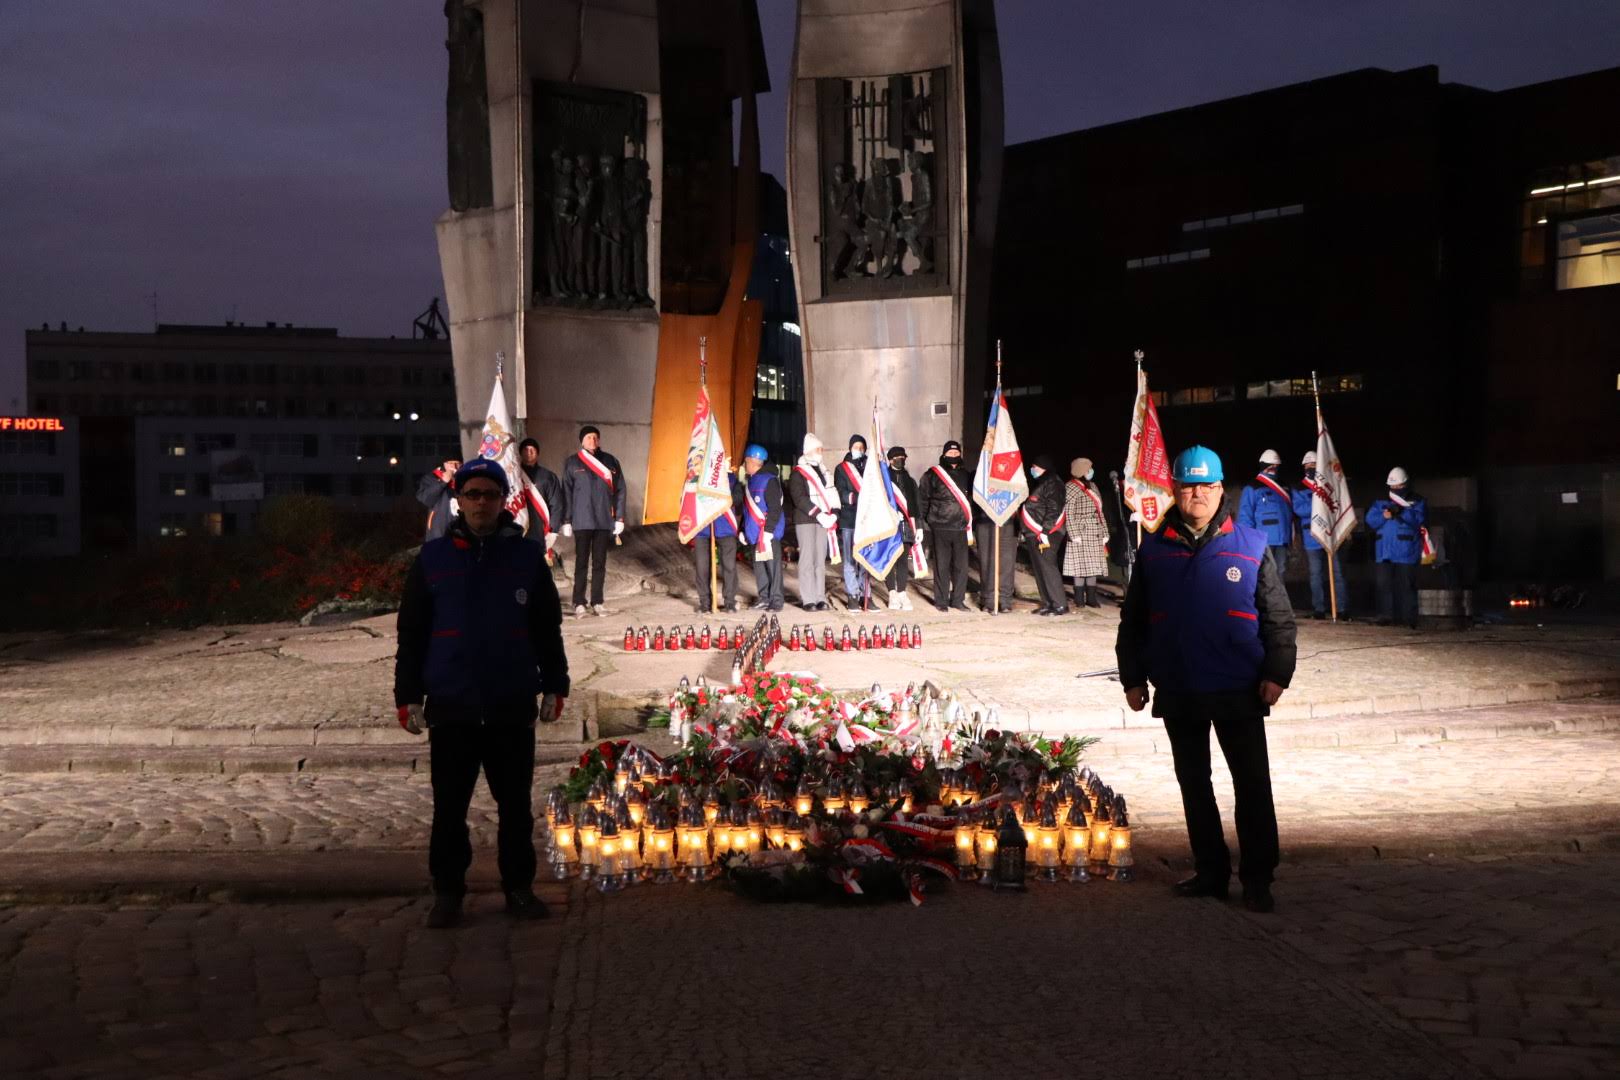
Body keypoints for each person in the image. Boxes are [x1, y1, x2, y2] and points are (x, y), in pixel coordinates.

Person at [1115, 445, 1295, 914]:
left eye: (1206, 486)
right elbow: (1133, 622)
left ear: (1220, 490)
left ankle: (1258, 878)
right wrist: (1133, 677)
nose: (1197, 494)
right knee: (1194, 785)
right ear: (1175, 489)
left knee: (1252, 785)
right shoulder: (1154, 550)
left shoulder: (1251, 544)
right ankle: (1211, 872)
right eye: (1189, 486)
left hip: (1239, 687)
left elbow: (1278, 618)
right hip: (1180, 686)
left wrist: (1277, 673)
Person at [393, 458, 570, 929]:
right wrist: (407, 695)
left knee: (515, 808)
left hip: (510, 703)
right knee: (449, 809)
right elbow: (412, 633)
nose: (480, 503)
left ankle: (519, 889)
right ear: (459, 500)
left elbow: (546, 628)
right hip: (452, 704)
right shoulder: (432, 559)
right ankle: (448, 893)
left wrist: (555, 683)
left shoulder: (526, 557)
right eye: (472, 494)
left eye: (489, 495)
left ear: (501, 501)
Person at [560, 425, 626, 617]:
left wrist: (619, 517)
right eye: (588, 437)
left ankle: (597, 602)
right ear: (582, 441)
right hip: (582, 520)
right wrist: (566, 520)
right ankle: (579, 602)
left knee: (600, 563)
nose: (592, 440)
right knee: (581, 562)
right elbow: (567, 493)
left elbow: (620, 489)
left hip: (604, 520)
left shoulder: (611, 461)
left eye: (595, 437)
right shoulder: (572, 462)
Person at [1292, 450, 1352, 620]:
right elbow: (1300, 510)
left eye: (1314, 464)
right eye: (1308, 465)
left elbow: (1338, 505)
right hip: (1311, 537)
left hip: (1332, 535)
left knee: (1338, 573)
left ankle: (1341, 609)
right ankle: (1319, 609)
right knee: (1315, 575)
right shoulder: (1299, 488)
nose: (1311, 467)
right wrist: (1319, 502)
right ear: (1304, 467)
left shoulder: (1330, 485)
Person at [1366, 467, 1426, 628]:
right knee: (1383, 585)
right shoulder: (1380, 501)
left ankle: (1408, 618)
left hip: (1406, 551)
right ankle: (1385, 616)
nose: (1396, 489)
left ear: (1405, 484)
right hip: (1384, 551)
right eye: (1393, 486)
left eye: (1399, 486)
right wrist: (1384, 515)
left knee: (1406, 586)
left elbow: (1419, 520)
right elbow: (1370, 520)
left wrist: (1402, 512)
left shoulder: (1417, 501)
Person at [919, 439, 974, 612]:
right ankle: (941, 601)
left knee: (961, 567)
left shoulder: (967, 475)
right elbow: (923, 499)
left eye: (956, 453)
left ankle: (958, 600)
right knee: (941, 566)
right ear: (944, 454)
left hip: (961, 527)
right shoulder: (932, 474)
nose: (954, 455)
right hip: (940, 527)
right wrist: (928, 520)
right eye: (950, 453)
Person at [785, 433, 838, 611]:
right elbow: (799, 498)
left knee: (820, 561)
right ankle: (808, 599)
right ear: (808, 450)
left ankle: (820, 597)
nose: (820, 452)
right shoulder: (798, 473)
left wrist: (834, 514)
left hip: (823, 520)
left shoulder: (825, 472)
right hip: (806, 520)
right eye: (817, 449)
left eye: (821, 449)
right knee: (807, 560)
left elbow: (832, 493)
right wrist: (819, 514)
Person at [738, 444, 786, 612]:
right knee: (760, 568)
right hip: (755, 534)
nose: (744, 465)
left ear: (753, 461)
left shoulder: (769, 480)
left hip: (767, 534)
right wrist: (742, 529)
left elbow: (775, 508)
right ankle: (764, 598)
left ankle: (776, 600)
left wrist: (768, 531)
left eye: (746, 462)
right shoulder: (751, 481)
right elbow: (747, 509)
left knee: (773, 568)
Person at [1019, 456, 1069, 615]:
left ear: (1044, 468)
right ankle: (1048, 602)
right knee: (1039, 569)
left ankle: (1060, 604)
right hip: (1035, 533)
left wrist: (1045, 531)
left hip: (1047, 533)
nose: (1032, 470)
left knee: (1048, 568)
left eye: (1035, 467)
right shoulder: (1042, 483)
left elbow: (1054, 509)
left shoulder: (1053, 483)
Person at [1062, 457, 1110, 610]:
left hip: (1095, 530)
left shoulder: (1093, 486)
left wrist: (1105, 532)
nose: (1091, 471)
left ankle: (1091, 598)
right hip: (1080, 531)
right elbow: (1068, 512)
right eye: (1088, 469)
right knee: (1080, 567)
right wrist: (1073, 533)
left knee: (1093, 566)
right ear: (1082, 470)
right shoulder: (1071, 487)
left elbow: (1100, 511)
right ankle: (1079, 599)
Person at [1237, 449, 1295, 574]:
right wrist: (1248, 540)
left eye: (1276, 465)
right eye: (1270, 465)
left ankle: (1279, 589)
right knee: (1264, 574)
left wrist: (1291, 537)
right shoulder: (1253, 487)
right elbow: (1245, 516)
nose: (1273, 468)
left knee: (1281, 572)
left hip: (1283, 539)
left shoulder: (1284, 486)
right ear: (1263, 465)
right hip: (1263, 541)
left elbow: (1289, 514)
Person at [517, 438, 567, 562]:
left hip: (539, 532)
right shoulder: (514, 476)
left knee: (537, 567)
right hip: (518, 530)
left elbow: (557, 505)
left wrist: (553, 531)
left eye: (532, 450)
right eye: (526, 449)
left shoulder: (548, 477)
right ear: (520, 453)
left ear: (537, 453)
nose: (529, 452)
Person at [833, 435, 868, 604]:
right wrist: (855, 497)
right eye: (856, 447)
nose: (859, 450)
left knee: (865, 559)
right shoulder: (841, 468)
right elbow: (839, 492)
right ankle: (853, 594)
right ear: (850, 448)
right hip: (849, 519)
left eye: (862, 447)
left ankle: (865, 594)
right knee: (849, 559)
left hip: (866, 521)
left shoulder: (870, 467)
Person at [884, 446, 920, 610]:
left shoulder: (910, 481)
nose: (901, 460)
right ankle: (892, 593)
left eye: (903, 457)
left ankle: (902, 592)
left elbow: (916, 505)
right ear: (890, 460)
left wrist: (919, 527)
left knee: (903, 560)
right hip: (889, 524)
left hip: (906, 524)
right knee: (890, 559)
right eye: (897, 457)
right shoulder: (884, 480)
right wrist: (891, 514)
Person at [416, 457, 461, 542]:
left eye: (457, 463)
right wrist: (442, 482)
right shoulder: (432, 477)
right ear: (444, 463)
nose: (454, 466)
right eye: (451, 463)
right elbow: (425, 499)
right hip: (438, 531)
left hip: (461, 530)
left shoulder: (465, 479)